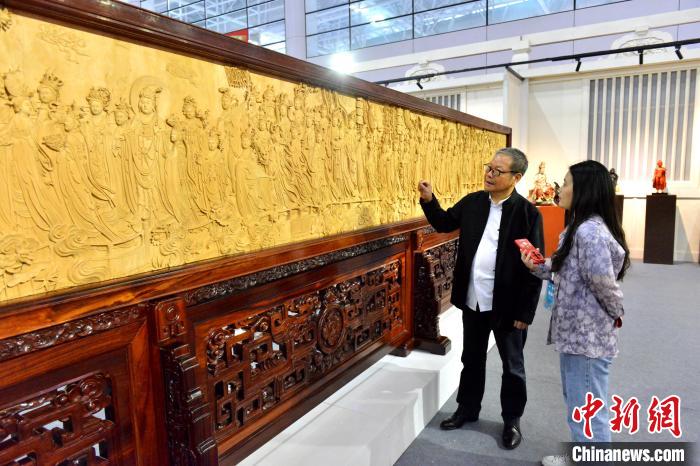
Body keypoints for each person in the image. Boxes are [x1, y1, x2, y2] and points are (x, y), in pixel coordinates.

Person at [418, 147, 544, 450]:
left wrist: (526, 313)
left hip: (508, 305)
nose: (489, 174)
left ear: (516, 177)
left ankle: (511, 420)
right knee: (471, 358)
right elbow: (444, 223)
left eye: (497, 171)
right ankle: (467, 408)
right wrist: (429, 200)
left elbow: (535, 267)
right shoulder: (474, 202)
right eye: (489, 167)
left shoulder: (528, 214)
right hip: (474, 300)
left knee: (512, 365)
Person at [521, 160, 630, 466]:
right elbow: (566, 270)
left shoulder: (589, 233)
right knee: (579, 402)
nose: (560, 188)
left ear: (583, 190)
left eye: (566, 183)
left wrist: (616, 312)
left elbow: (603, 283)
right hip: (576, 334)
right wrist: (536, 266)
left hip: (587, 336)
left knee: (588, 407)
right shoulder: (578, 228)